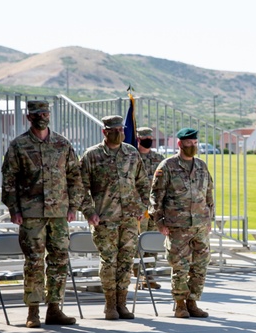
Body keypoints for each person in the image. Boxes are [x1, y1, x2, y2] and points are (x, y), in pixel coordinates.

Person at [1, 99, 83, 328]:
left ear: (49, 115)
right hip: (31, 213)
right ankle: (33, 311)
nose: (41, 117)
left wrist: (73, 206)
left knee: (59, 260)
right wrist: (14, 209)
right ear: (29, 117)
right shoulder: (19, 145)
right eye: (36, 114)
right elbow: (9, 180)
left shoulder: (62, 144)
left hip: (58, 213)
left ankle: (55, 308)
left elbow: (75, 177)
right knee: (34, 262)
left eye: (45, 113)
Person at [81, 115, 150, 320]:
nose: (119, 133)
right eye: (114, 130)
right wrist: (89, 212)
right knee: (109, 261)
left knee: (126, 261)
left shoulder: (131, 153)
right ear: (105, 132)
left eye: (121, 130)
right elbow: (80, 187)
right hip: (105, 219)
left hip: (129, 219)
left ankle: (122, 303)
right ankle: (110, 304)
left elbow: (144, 183)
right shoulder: (92, 155)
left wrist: (141, 206)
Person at [149, 128, 214, 319]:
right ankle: (179, 304)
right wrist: (159, 222)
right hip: (177, 226)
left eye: (195, 143)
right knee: (180, 266)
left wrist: (210, 219)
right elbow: (156, 196)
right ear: (180, 144)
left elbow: (209, 194)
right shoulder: (167, 166)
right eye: (188, 143)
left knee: (200, 266)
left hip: (200, 225)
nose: (192, 146)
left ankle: (192, 302)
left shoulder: (201, 166)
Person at [136, 126, 165, 289]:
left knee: (151, 243)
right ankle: (137, 277)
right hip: (138, 207)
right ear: (138, 139)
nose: (148, 140)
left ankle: (149, 277)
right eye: (144, 137)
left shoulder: (159, 159)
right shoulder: (132, 157)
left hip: (154, 207)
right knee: (136, 244)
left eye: (150, 137)